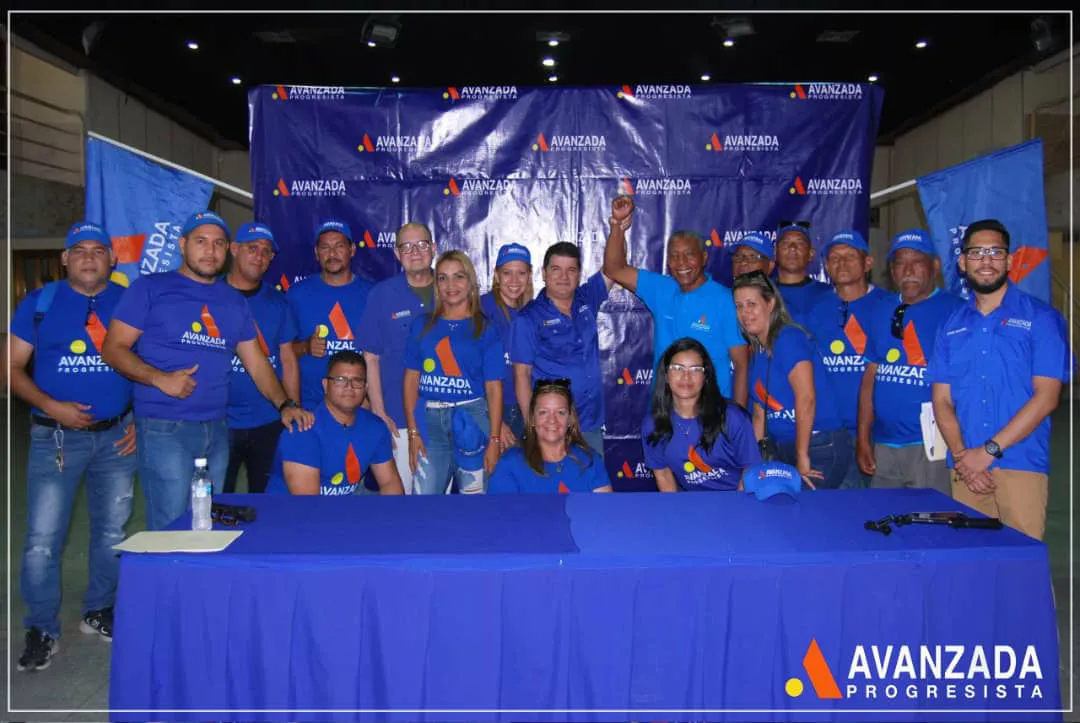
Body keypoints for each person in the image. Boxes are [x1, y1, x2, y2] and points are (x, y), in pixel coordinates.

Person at [101, 210, 313, 531]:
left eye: (217, 243)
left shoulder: (233, 301)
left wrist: (284, 404)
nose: (209, 250)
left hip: (216, 428)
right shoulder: (150, 288)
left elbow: (256, 362)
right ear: (182, 244)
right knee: (171, 522)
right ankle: (166, 581)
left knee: (205, 521)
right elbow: (113, 348)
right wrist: (159, 379)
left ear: (227, 250)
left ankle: (194, 582)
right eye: (201, 241)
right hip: (164, 426)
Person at [9, 222, 137, 670]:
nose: (88, 257)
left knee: (111, 532)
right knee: (43, 539)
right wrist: (52, 406)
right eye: (78, 250)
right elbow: (10, 368)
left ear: (112, 259)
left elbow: (146, 363)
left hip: (116, 437)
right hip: (55, 438)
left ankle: (98, 610)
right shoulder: (39, 303)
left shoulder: (128, 303)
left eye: (98, 250)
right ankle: (42, 627)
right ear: (65, 258)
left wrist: (136, 415)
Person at [931, 219, 1074, 540]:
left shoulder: (1042, 319)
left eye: (995, 252)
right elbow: (941, 399)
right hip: (966, 470)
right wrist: (963, 457)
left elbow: (1047, 397)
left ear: (1009, 261)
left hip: (1020, 463)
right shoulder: (951, 326)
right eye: (977, 252)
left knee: (1023, 574)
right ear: (963, 261)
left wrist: (989, 451)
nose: (986, 260)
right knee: (972, 569)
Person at [603, 195, 749, 406]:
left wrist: (738, 424)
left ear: (704, 258)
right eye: (674, 256)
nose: (681, 263)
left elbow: (741, 364)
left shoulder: (725, 300)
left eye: (689, 255)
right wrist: (617, 225)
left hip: (711, 414)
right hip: (665, 412)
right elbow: (614, 269)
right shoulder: (661, 289)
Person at [857, 229, 965, 495]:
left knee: (929, 526)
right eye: (900, 263)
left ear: (935, 266)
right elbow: (871, 376)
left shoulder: (956, 312)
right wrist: (862, 438)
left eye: (916, 261)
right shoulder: (882, 308)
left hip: (931, 444)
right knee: (884, 524)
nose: (908, 270)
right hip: (884, 444)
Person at [733, 270, 850, 489]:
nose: (744, 313)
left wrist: (802, 456)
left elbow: (806, 397)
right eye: (739, 306)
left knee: (808, 515)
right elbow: (759, 415)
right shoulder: (758, 349)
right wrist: (750, 469)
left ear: (770, 303)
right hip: (783, 448)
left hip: (818, 446)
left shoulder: (788, 338)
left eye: (751, 304)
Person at [404, 251, 505, 494]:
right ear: (436, 283)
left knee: (476, 507)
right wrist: (412, 432)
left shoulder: (485, 327)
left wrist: (494, 439)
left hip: (472, 421)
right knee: (423, 504)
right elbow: (410, 380)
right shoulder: (422, 324)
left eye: (458, 277)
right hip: (429, 424)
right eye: (442, 278)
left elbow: (494, 387)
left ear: (470, 281)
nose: (451, 285)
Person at [805, 230, 891, 489]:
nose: (841, 263)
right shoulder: (816, 310)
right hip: (830, 435)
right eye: (834, 258)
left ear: (868, 263)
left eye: (850, 256)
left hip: (878, 435)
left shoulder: (889, 306)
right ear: (826, 266)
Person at [511, 242, 613, 457]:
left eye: (571, 270)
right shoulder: (528, 318)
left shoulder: (587, 299)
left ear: (578, 275)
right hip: (551, 427)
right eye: (556, 269)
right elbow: (522, 376)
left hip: (590, 422)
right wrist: (534, 428)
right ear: (544, 273)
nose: (563, 277)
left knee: (593, 487)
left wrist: (618, 226)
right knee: (552, 489)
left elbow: (613, 267)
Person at [358, 222, 437, 494]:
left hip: (444, 419)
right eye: (407, 246)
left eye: (422, 245)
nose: (415, 252)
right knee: (399, 503)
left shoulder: (452, 289)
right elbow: (371, 358)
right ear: (396, 253)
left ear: (434, 249)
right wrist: (379, 411)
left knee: (440, 506)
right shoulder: (381, 295)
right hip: (397, 420)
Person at [223, 221, 301, 494]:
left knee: (267, 504)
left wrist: (293, 408)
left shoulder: (277, 302)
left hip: (268, 421)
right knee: (214, 505)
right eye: (252, 248)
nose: (259, 256)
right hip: (219, 423)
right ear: (234, 249)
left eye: (266, 251)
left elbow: (288, 359)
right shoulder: (211, 296)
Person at [266, 351, 405, 496]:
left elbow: (390, 483)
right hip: (290, 515)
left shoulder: (375, 427)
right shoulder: (303, 431)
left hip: (341, 511)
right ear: (325, 385)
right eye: (340, 379)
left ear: (366, 388)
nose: (349, 387)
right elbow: (308, 507)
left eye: (357, 381)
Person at [642, 338, 761, 492]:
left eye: (695, 369)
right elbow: (663, 474)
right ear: (665, 375)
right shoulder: (653, 424)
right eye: (678, 368)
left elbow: (751, 468)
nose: (686, 376)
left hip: (737, 499)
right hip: (693, 506)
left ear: (705, 377)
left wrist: (735, 509)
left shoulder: (732, 417)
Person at [287, 219, 373, 409]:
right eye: (325, 247)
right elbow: (280, 353)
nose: (332, 253)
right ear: (317, 254)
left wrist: (371, 398)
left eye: (339, 246)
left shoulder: (373, 295)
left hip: (359, 407)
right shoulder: (297, 294)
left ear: (352, 250)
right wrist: (305, 347)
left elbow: (384, 355)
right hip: (309, 408)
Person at [488, 379, 613, 494]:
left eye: (560, 412)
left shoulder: (590, 460)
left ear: (570, 420)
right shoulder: (510, 464)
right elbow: (499, 515)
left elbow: (604, 513)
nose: (552, 420)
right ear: (532, 419)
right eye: (543, 412)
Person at [479, 242, 534, 446]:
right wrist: (495, 422)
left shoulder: (532, 312)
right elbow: (467, 370)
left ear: (529, 276)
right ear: (496, 275)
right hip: (492, 411)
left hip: (522, 409)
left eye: (521, 273)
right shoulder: (481, 310)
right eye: (507, 273)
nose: (514, 280)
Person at [773, 221, 833, 326]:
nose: (792, 248)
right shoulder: (763, 292)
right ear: (775, 253)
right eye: (785, 243)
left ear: (811, 254)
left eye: (800, 244)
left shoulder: (828, 294)